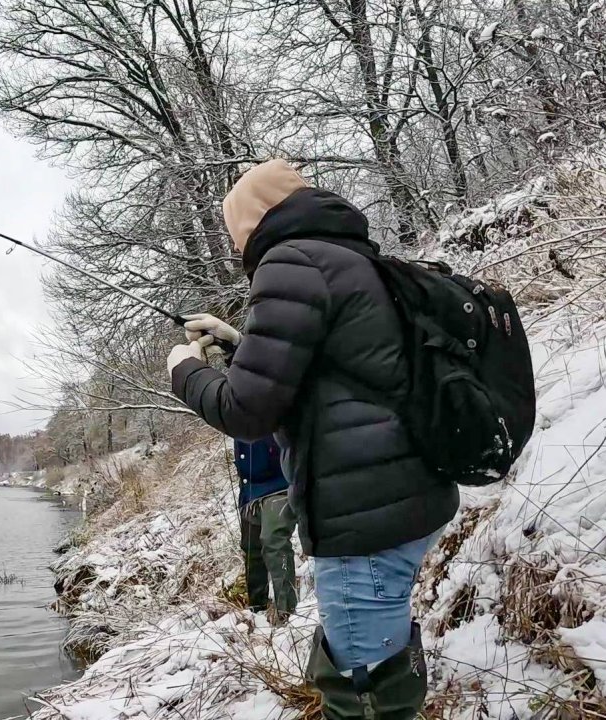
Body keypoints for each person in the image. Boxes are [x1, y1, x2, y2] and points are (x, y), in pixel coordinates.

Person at [164, 159, 458, 719]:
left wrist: (185, 370)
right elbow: (330, 376)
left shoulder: (289, 263)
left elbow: (245, 410)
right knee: (382, 665)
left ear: (251, 224)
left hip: (362, 522)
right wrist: (239, 343)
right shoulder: (349, 258)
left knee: (361, 692)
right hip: (406, 499)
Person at [232, 434, 297, 619]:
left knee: (274, 541)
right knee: (250, 547)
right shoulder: (236, 409)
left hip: (280, 484)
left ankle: (287, 612)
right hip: (250, 491)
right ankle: (256, 610)